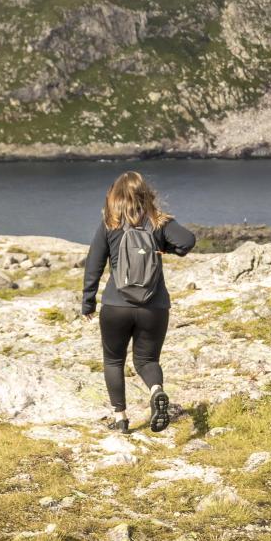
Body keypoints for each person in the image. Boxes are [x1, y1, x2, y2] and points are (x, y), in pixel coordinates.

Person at [82, 171, 196, 433]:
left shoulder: (109, 224)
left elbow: (94, 264)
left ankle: (120, 419)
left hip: (116, 306)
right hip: (153, 307)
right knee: (146, 360)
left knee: (113, 361)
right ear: (146, 194)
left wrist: (88, 302)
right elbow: (187, 241)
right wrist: (167, 249)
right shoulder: (159, 222)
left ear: (114, 197)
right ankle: (156, 390)